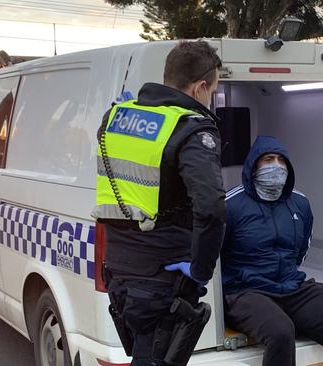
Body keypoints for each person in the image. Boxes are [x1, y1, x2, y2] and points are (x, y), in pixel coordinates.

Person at [92, 41, 226, 366]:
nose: (211, 99)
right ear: (200, 87)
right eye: (214, 90)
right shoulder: (191, 129)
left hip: (120, 272)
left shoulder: (115, 117)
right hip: (162, 277)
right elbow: (211, 208)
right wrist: (200, 271)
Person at [222, 136, 323, 366]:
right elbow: (215, 254)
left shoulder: (300, 203)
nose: (276, 166)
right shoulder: (231, 204)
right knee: (280, 332)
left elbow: (300, 252)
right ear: (254, 165)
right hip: (245, 290)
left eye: (282, 161)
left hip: (291, 286)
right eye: (268, 159)